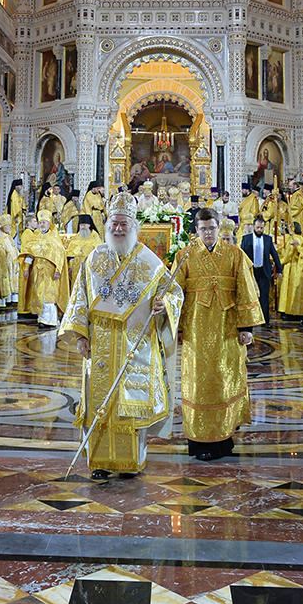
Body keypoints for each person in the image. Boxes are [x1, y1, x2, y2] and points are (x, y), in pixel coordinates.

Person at [58, 192, 182, 480]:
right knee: (100, 402)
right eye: (114, 223)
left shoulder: (150, 262)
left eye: (123, 223)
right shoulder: (94, 258)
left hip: (134, 345)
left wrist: (166, 306)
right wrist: (79, 336)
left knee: (130, 406)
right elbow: (79, 298)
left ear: (133, 225)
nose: (118, 228)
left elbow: (175, 292)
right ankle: (99, 462)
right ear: (107, 224)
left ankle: (130, 463)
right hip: (99, 345)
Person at [176, 208, 262, 459]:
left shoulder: (235, 255)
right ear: (197, 230)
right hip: (195, 331)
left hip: (227, 329)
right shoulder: (185, 256)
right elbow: (176, 295)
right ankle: (198, 442)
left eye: (212, 228)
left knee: (225, 381)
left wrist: (246, 327)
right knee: (198, 384)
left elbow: (246, 291)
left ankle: (224, 439)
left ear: (219, 228)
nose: (208, 233)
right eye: (203, 229)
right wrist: (179, 328)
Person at [17, 209, 70, 328]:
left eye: (44, 223)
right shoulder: (35, 237)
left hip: (50, 271)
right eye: (40, 223)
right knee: (38, 294)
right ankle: (41, 319)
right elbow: (29, 253)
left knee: (49, 296)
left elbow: (60, 256)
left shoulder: (54, 238)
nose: (42, 225)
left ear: (49, 223)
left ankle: (50, 320)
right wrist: (26, 268)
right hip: (38, 271)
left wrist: (58, 271)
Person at [241, 213, 282, 324]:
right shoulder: (246, 239)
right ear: (254, 227)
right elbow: (241, 255)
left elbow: (274, 254)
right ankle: (250, 320)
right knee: (250, 296)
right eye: (258, 227)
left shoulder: (268, 239)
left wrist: (279, 269)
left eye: (262, 228)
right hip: (251, 271)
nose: (259, 230)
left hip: (264, 271)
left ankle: (265, 321)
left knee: (264, 296)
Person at [65, 213, 102, 285]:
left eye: (84, 225)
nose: (82, 227)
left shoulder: (95, 236)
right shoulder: (77, 236)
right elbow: (70, 252)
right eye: (81, 225)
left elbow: (98, 251)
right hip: (76, 266)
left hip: (89, 266)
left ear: (89, 225)